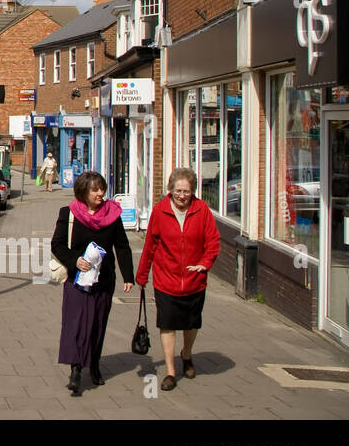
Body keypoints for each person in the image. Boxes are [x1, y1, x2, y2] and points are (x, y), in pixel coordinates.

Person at [136, 167, 222, 391]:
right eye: (178, 191)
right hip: (166, 279)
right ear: (170, 190)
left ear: (192, 191)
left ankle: (187, 353)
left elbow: (213, 241)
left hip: (194, 280)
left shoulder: (201, 210)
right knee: (167, 324)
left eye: (187, 191)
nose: (182, 195)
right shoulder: (160, 211)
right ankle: (171, 371)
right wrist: (142, 274)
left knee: (192, 324)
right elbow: (151, 245)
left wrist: (205, 264)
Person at [52, 171, 134, 396]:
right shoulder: (68, 214)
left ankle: (95, 365)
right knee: (75, 324)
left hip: (104, 280)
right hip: (76, 280)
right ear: (83, 192)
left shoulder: (112, 215)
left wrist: (129, 277)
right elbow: (57, 245)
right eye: (95, 189)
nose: (100, 193)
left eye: (102, 189)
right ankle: (76, 370)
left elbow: (123, 247)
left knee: (97, 323)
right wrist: (74, 261)